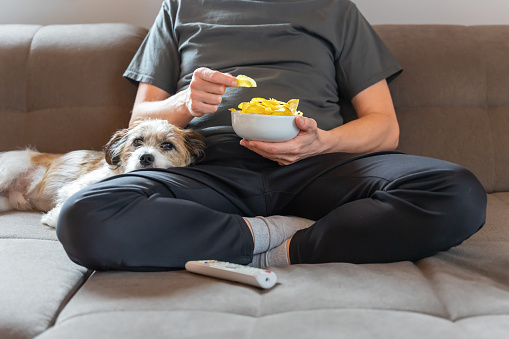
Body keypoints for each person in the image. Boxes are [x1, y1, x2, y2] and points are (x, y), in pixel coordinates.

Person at [56, 0, 487, 271]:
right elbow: (139, 121)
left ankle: (285, 248)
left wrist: (325, 142)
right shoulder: (180, 6)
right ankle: (265, 238)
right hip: (209, 166)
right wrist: (185, 103)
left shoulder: (335, 9)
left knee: (456, 191)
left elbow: (384, 126)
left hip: (319, 163)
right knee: (84, 215)